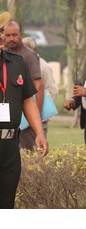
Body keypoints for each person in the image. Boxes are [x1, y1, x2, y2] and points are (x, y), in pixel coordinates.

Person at [0, 11, 48, 209]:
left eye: (1, 31)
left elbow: (28, 100)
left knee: (7, 203)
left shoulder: (17, 62)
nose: (1, 36)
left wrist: (39, 133)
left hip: (10, 145)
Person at [4, 21, 44, 151]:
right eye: (7, 35)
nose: (11, 38)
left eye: (14, 35)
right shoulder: (4, 54)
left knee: (29, 152)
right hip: (8, 122)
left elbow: (38, 85)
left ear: (21, 34)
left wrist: (34, 119)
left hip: (25, 118)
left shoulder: (27, 56)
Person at [23, 36, 58, 138]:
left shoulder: (43, 67)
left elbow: (52, 91)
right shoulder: (20, 64)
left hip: (39, 117)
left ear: (34, 50)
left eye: (27, 48)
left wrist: (39, 111)